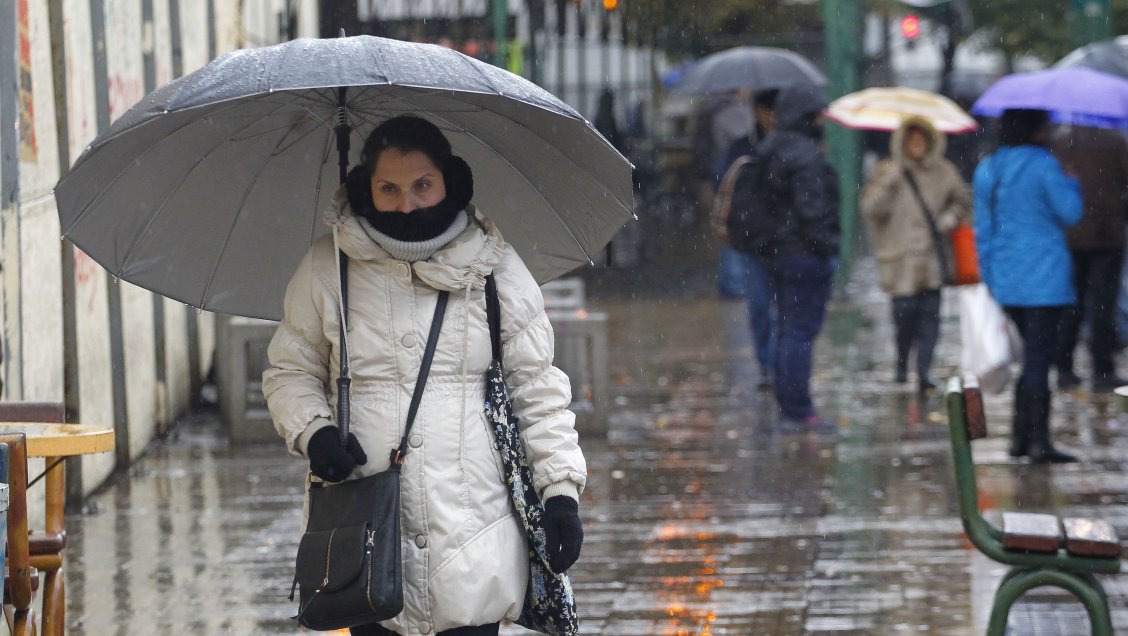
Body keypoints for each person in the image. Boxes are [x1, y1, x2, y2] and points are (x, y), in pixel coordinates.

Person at [262, 115, 587, 635]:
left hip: (474, 536)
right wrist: (314, 431)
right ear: (365, 188)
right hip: (365, 543)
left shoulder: (494, 269)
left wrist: (561, 494)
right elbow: (289, 370)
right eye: (388, 188)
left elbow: (538, 389)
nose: (407, 204)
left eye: (422, 185)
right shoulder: (329, 268)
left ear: (450, 183)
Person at [973, 109, 1083, 463]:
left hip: (1006, 280)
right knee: (1038, 360)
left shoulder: (988, 169)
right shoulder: (1044, 166)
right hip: (1045, 280)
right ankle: (1037, 440)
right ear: (1036, 129)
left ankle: (1020, 439)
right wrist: (1072, 182)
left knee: (1027, 359)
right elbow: (1070, 213)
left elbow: (983, 230)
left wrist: (989, 276)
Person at [730, 85, 840, 432]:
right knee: (800, 332)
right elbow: (813, 212)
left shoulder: (770, 148)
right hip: (804, 257)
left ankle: (788, 407)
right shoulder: (806, 155)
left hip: (776, 255)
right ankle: (799, 410)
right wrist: (827, 245)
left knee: (786, 329)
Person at [860, 117, 972, 393]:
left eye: (922, 140)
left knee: (930, 317)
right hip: (901, 262)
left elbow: (962, 202)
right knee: (904, 318)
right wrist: (889, 181)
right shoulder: (887, 171)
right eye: (911, 141)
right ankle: (901, 364)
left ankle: (923, 371)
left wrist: (948, 219)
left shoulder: (945, 172)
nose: (917, 146)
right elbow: (870, 210)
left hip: (934, 259)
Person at [1049, 125, 1128, 392]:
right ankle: (1102, 369)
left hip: (1071, 236)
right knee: (1103, 305)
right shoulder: (1116, 142)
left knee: (1072, 303)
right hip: (1108, 236)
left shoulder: (1061, 144)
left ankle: (1064, 367)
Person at [713, 95, 775, 389]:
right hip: (752, 239)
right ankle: (767, 365)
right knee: (761, 306)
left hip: (780, 240)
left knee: (778, 309)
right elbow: (723, 181)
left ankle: (776, 365)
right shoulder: (742, 147)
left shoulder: (790, 145)